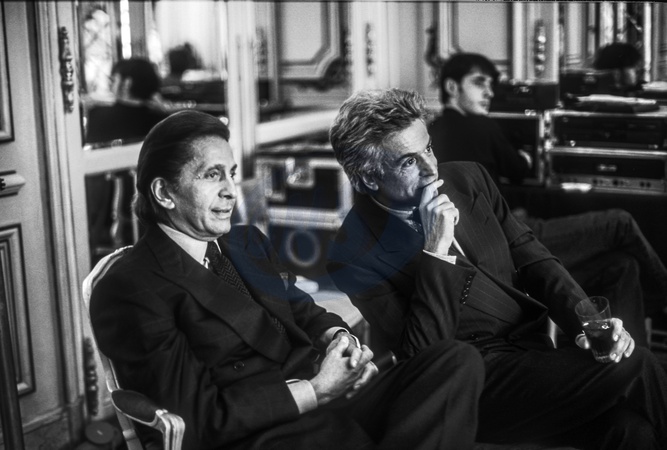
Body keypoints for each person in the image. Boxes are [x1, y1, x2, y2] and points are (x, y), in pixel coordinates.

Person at [89, 110, 483, 450]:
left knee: (454, 361)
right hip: (262, 429)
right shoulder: (130, 286)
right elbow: (198, 418)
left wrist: (342, 343)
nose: (230, 192)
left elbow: (304, 311)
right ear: (164, 192)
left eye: (231, 174)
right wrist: (316, 390)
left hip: (327, 396)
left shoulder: (245, 242)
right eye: (212, 176)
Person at [327, 88, 667, 449]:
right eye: (408, 162)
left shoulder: (468, 179)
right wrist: (436, 251)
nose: (430, 169)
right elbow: (424, 361)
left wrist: (590, 326)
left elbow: (535, 260)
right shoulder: (353, 255)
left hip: (535, 355)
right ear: (369, 178)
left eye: (427, 149)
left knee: (631, 430)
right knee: (637, 364)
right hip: (476, 385)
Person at [428, 52, 667, 345]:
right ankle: (664, 299)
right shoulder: (481, 125)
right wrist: (524, 156)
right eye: (480, 83)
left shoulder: (430, 134)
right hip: (509, 240)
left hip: (484, 253)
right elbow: (519, 169)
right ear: (452, 87)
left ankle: (622, 353)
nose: (489, 93)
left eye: (491, 85)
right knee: (620, 222)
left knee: (623, 264)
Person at [86, 57, 168, 145]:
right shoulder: (163, 121)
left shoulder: (98, 116)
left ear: (127, 83)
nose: (111, 85)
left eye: (114, 80)